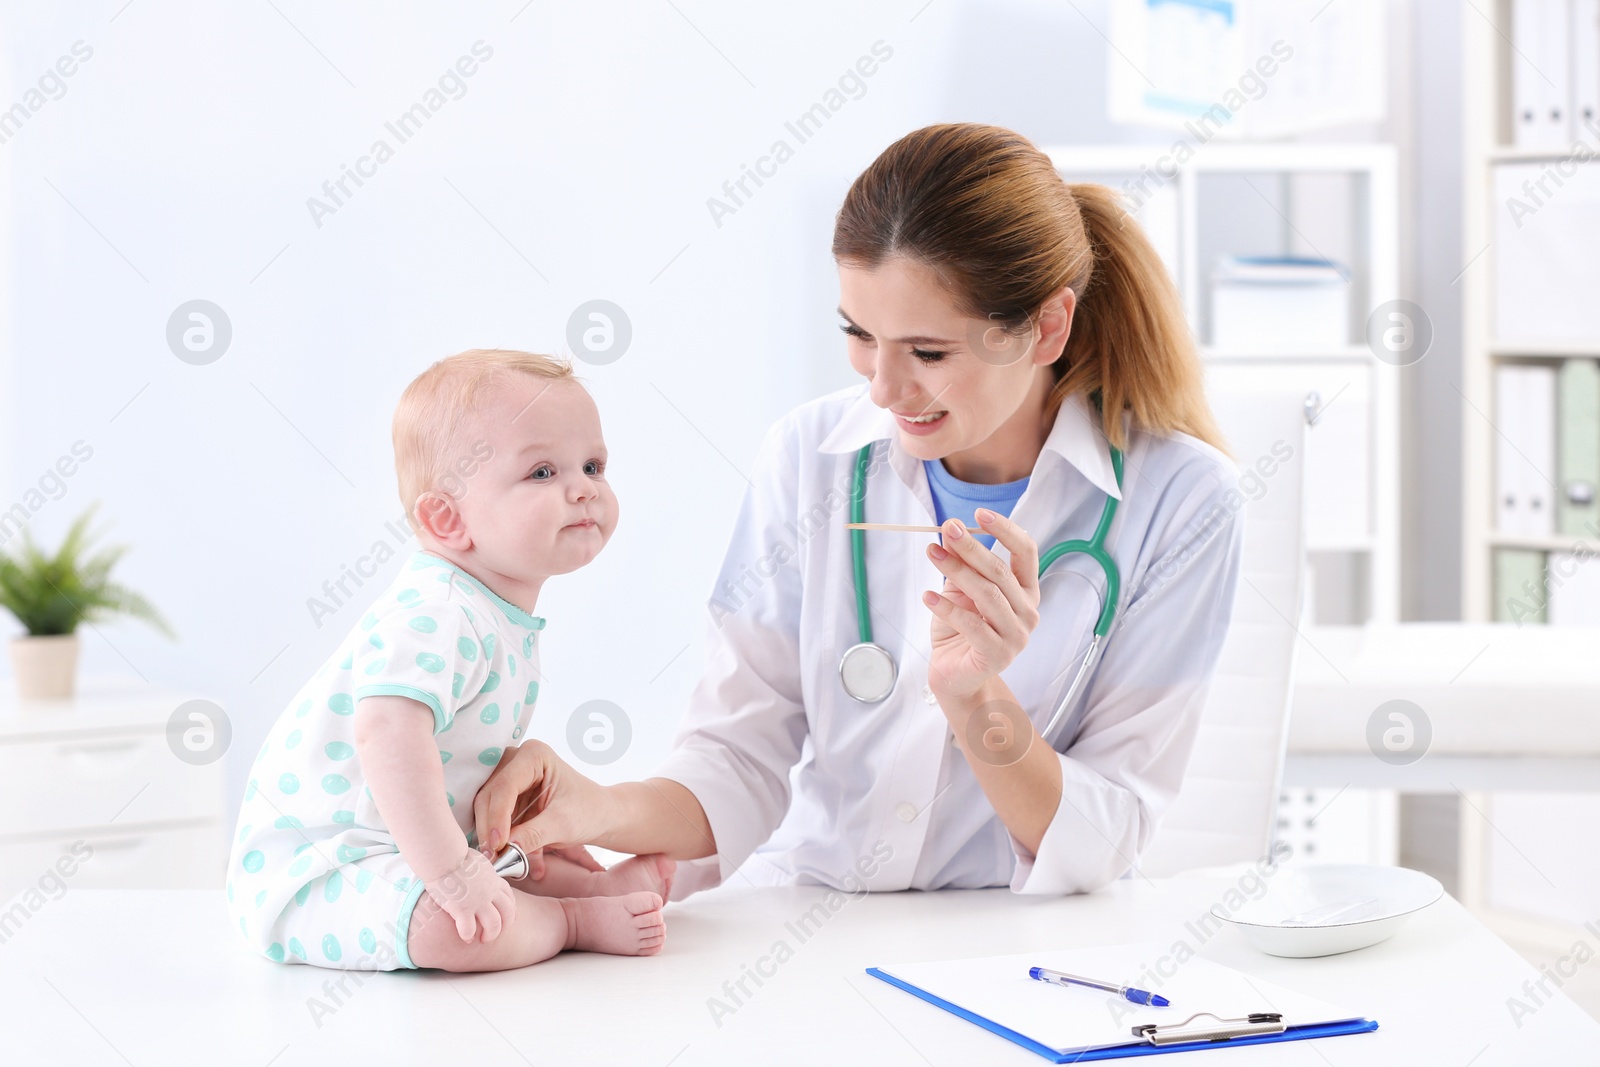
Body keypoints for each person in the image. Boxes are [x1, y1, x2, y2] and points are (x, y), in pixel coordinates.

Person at [476, 122, 1244, 899]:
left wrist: (974, 693)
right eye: (859, 335)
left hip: (1015, 947)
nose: (882, 388)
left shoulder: (1183, 501)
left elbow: (1100, 837)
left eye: (929, 353)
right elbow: (737, 757)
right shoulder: (810, 456)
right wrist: (596, 809)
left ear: (1045, 328)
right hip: (815, 916)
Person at [225, 350, 672, 973]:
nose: (583, 487)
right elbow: (386, 732)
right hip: (324, 869)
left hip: (405, 851)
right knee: (453, 929)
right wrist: (452, 871)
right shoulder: (436, 611)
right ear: (447, 518)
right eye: (543, 472)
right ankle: (570, 919)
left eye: (593, 465)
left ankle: (588, 889)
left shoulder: (491, 611)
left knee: (533, 855)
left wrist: (477, 851)